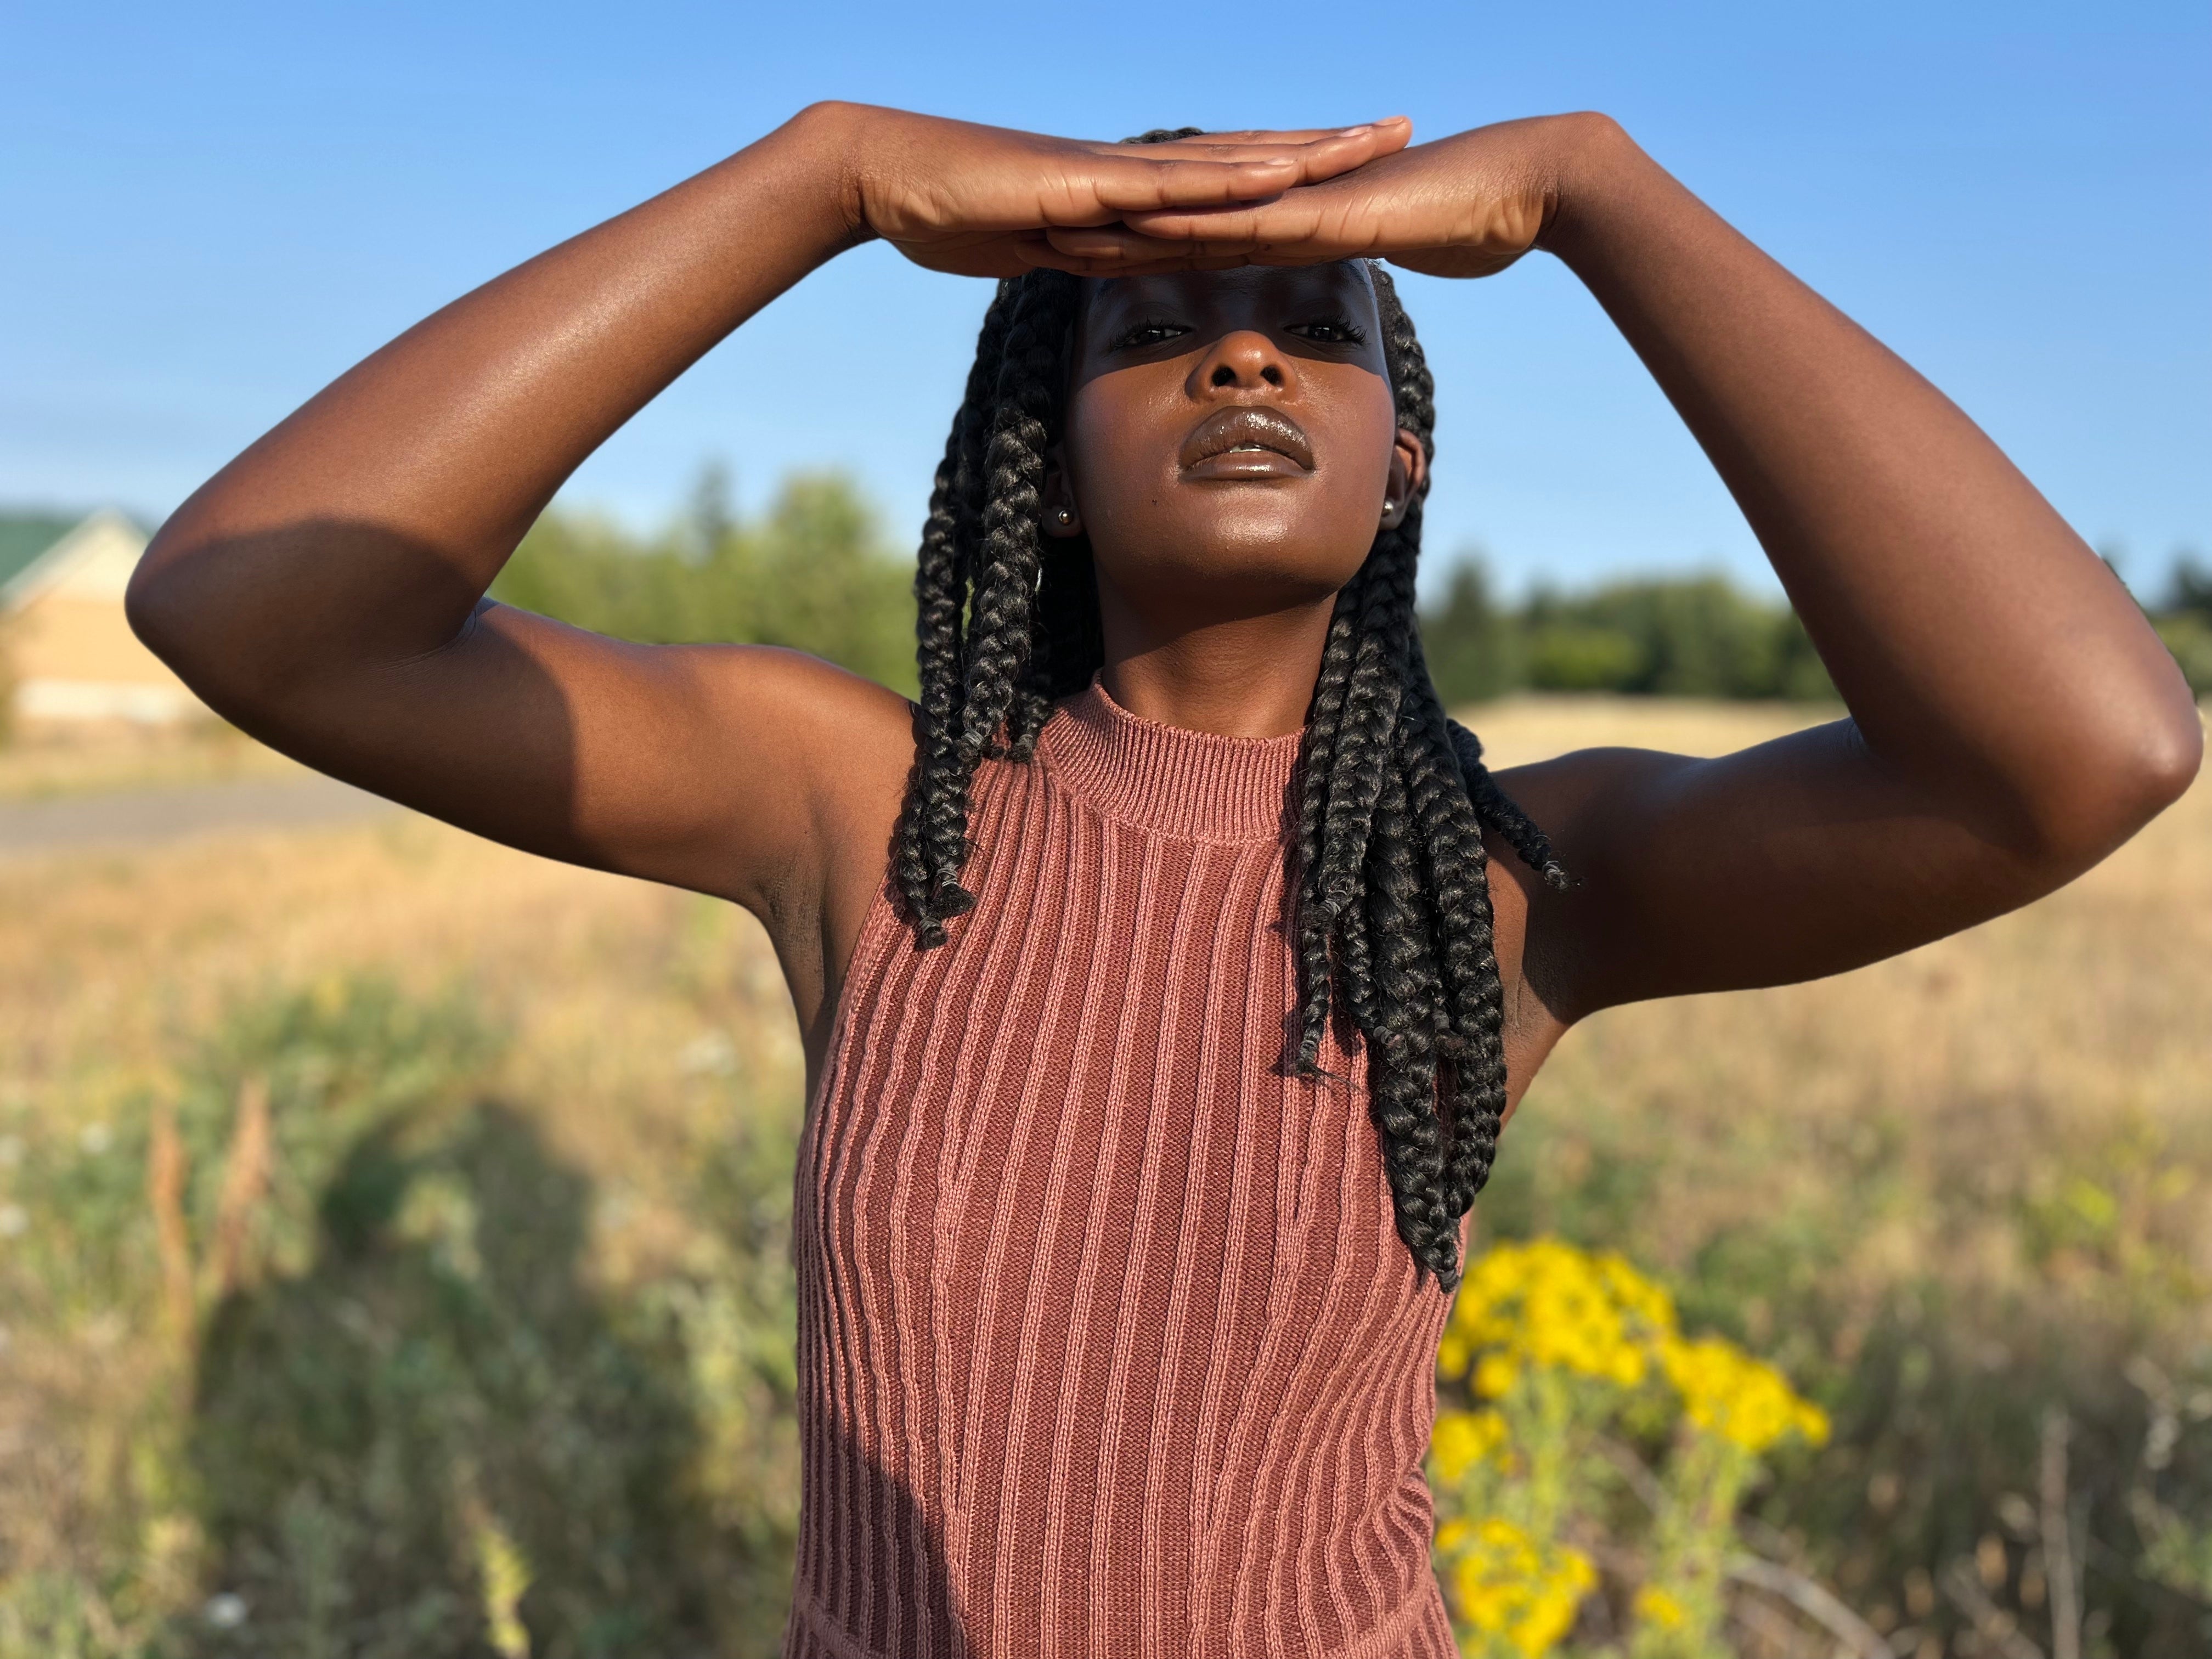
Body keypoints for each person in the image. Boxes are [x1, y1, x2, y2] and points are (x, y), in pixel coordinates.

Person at [127, 103, 2199, 1658]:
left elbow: (2083, 751)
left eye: (1315, 328)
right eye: (1154, 337)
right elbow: (260, 610)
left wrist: (1600, 197)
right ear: (1036, 457)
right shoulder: (859, 809)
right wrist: (822, 179)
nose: (1242, 365)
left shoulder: (1503, 882)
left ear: (1408, 457)